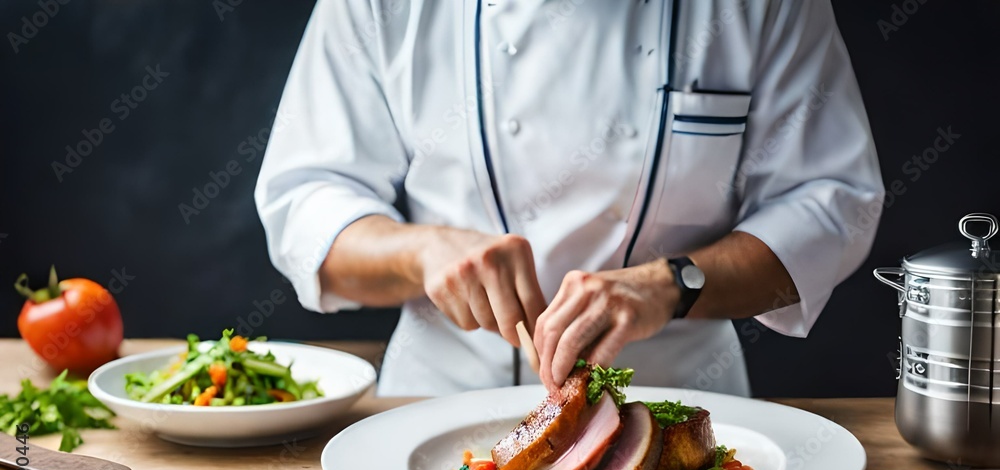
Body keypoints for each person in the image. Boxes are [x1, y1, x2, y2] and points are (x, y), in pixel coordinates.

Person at [256, 0, 883, 396]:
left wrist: (672, 284)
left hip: (681, 402)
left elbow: (832, 203)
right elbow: (305, 203)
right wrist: (420, 251)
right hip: (433, 406)